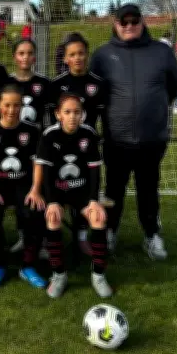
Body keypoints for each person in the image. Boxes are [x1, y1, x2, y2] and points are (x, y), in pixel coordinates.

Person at [89, 3, 177, 260]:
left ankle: (152, 235)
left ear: (142, 22)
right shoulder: (103, 55)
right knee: (113, 190)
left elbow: (174, 86)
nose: (129, 26)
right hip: (116, 139)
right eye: (124, 22)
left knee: (148, 189)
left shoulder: (161, 51)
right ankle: (109, 231)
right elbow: (94, 93)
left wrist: (152, 110)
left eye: (134, 21)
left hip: (152, 140)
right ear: (115, 24)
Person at [35, 93, 113, 298]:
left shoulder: (89, 133)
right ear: (58, 114)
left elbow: (94, 170)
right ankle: (59, 275)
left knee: (99, 218)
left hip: (82, 193)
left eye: (77, 112)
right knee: (53, 218)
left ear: (82, 114)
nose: (72, 116)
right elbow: (46, 173)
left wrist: (93, 201)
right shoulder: (49, 135)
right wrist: (52, 202)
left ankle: (98, 275)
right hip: (57, 193)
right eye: (67, 112)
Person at [0, 85, 47, 290]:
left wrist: (35, 189)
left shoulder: (32, 130)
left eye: (16, 105)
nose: (12, 110)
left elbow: (37, 165)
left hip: (23, 183)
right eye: (7, 105)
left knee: (35, 209)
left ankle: (28, 265)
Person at [49, 32, 107, 256]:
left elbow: (103, 119)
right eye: (72, 54)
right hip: (60, 149)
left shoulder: (98, 84)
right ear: (65, 58)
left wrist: (100, 140)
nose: (77, 58)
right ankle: (51, 237)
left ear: (87, 55)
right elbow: (51, 121)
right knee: (59, 189)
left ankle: (82, 237)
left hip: (86, 149)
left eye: (81, 53)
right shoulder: (57, 85)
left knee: (83, 190)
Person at [5, 40, 50, 255]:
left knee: (38, 190)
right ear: (15, 56)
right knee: (19, 191)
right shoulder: (6, 83)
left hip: (36, 147)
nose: (25, 57)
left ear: (35, 57)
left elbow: (49, 117)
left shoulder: (44, 83)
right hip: (13, 147)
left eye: (30, 53)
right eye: (21, 53)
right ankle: (23, 237)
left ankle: (42, 240)